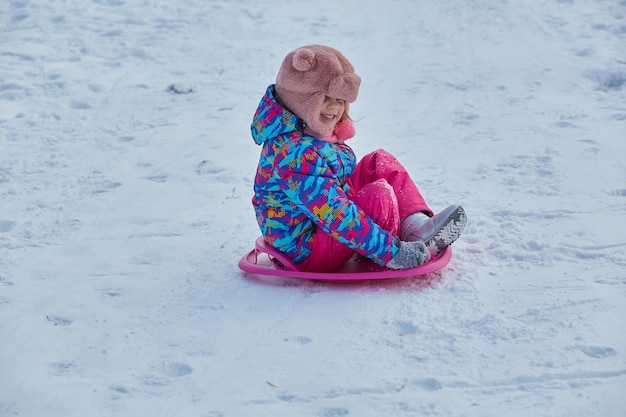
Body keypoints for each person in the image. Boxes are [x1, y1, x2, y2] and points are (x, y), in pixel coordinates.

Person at [250, 44, 466, 272]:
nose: (334, 108)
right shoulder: (293, 153)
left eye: (340, 100)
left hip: (323, 228)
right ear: (299, 98)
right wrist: (392, 253)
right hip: (307, 250)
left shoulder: (310, 131)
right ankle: (391, 244)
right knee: (378, 196)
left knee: (378, 162)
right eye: (325, 98)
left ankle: (415, 225)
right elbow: (334, 212)